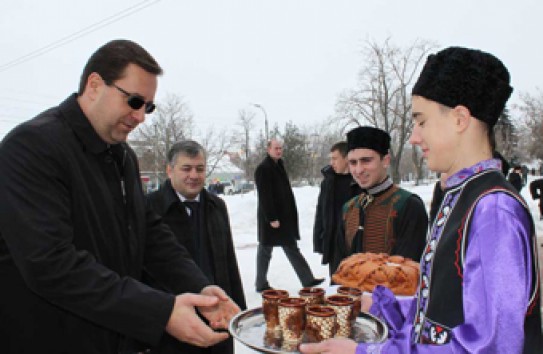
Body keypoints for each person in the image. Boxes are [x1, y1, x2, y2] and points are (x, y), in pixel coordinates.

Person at [0, 40, 240, 354]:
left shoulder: (122, 156)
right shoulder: (32, 147)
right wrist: (159, 312)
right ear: (95, 85)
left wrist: (199, 286)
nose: (141, 116)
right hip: (50, 337)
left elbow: (149, 232)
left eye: (148, 107)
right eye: (135, 101)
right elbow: (51, 265)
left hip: (109, 336)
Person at [300, 46, 542, 354]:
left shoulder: (493, 209)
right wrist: (379, 304)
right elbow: (443, 311)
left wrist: (366, 352)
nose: (414, 136)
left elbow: (492, 346)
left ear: (459, 119)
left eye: (421, 121)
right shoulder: (465, 196)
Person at [146, 140, 247, 354]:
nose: (194, 175)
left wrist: (240, 314)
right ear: (169, 170)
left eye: (200, 169)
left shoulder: (216, 206)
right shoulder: (150, 208)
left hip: (217, 317)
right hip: (174, 326)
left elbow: (229, 263)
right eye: (186, 168)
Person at [335, 126, 428, 265]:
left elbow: (408, 270)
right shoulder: (349, 208)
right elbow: (339, 267)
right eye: (353, 162)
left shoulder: (409, 205)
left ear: (385, 160)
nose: (359, 170)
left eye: (366, 160)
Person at [254, 139, 325, 292]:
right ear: (268, 149)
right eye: (276, 148)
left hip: (283, 219)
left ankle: (307, 279)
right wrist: (272, 218)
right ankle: (261, 284)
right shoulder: (263, 168)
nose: (279, 151)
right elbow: (264, 196)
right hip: (272, 220)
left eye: (280, 148)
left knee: (289, 247)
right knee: (265, 250)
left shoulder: (279, 165)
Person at [313, 141, 361, 276]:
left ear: (346, 159)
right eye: (330, 159)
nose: (331, 162)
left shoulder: (358, 182)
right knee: (336, 284)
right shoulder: (328, 182)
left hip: (353, 244)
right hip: (334, 243)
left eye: (335, 158)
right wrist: (319, 239)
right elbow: (321, 210)